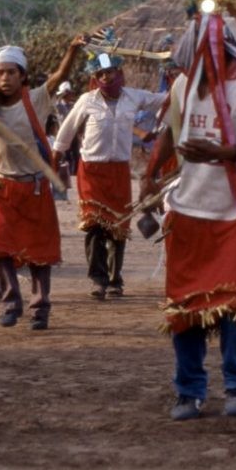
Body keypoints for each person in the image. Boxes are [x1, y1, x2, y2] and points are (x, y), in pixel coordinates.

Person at [141, 0, 236, 420]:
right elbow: (169, 133)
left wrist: (223, 154)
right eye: (204, 43)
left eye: (217, 43)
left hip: (235, 217)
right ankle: (189, 390)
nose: (210, 51)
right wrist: (148, 174)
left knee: (235, 304)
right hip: (188, 214)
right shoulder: (181, 88)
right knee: (186, 308)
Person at [0, 37, 84, 330]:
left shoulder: (35, 99)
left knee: (40, 253)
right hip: (2, 187)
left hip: (34, 188)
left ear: (22, 75)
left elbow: (59, 77)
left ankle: (40, 308)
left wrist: (72, 49)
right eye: (0, 72)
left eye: (11, 72)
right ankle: (11, 302)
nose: (5, 78)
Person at [53, 49, 165, 299]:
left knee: (118, 227)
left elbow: (163, 99)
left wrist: (184, 79)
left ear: (119, 73)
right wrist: (54, 161)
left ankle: (115, 279)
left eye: (110, 72)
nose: (106, 77)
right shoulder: (86, 100)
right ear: (95, 77)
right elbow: (65, 134)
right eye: (100, 74)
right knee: (94, 225)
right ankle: (98, 279)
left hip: (119, 171)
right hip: (92, 170)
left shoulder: (133, 97)